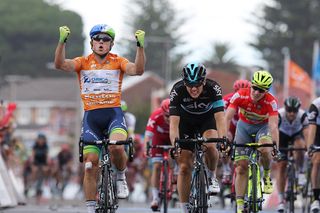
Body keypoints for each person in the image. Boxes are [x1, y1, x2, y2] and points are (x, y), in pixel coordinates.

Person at [54, 24, 146, 213]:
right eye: (97, 39)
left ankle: (120, 177)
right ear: (92, 42)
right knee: (90, 163)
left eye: (105, 39)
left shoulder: (118, 61)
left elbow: (137, 70)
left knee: (117, 147)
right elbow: (60, 65)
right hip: (91, 117)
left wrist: (140, 47)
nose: (101, 42)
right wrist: (62, 42)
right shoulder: (83, 62)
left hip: (113, 114)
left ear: (111, 44)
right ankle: (90, 208)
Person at [169, 63, 228, 213]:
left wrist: (223, 139)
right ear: (184, 83)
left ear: (204, 81)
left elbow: (220, 119)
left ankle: (211, 175)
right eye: (190, 85)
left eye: (197, 85)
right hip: (185, 123)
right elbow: (174, 124)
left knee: (211, 145)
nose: (193, 89)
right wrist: (175, 144)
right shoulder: (177, 90)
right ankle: (184, 208)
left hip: (206, 121)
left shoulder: (214, 88)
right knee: (183, 167)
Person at [225, 70, 279, 213]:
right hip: (244, 128)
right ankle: (240, 204)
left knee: (265, 149)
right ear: (251, 86)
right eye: (254, 88)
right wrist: (224, 139)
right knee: (241, 166)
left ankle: (266, 176)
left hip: (263, 127)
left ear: (266, 91)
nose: (256, 92)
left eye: (261, 90)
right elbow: (227, 118)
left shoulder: (271, 101)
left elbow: (273, 126)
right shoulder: (240, 95)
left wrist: (275, 146)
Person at [275, 96, 309, 212]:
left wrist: (308, 148)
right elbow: (273, 131)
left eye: (294, 110)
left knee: (300, 145)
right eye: (289, 110)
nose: (291, 113)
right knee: (281, 166)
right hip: (282, 136)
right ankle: (280, 200)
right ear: (285, 108)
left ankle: (300, 172)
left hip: (296, 135)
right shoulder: (279, 114)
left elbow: (307, 133)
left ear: (298, 110)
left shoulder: (303, 116)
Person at [221, 79, 251, 184]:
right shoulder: (226, 100)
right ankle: (226, 168)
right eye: (238, 92)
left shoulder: (252, 100)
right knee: (225, 143)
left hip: (244, 128)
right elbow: (223, 118)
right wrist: (226, 132)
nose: (241, 94)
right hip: (231, 127)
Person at [144, 98, 171, 211]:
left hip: (172, 138)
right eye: (166, 116)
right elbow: (148, 135)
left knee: (178, 158)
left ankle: (173, 176)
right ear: (162, 112)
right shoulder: (155, 115)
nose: (168, 119)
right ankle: (155, 197)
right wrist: (147, 148)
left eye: (170, 116)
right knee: (156, 166)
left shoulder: (179, 115)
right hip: (158, 139)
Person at [306, 96, 320, 212]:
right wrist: (310, 147)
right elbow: (312, 128)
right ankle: (316, 198)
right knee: (316, 160)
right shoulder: (316, 104)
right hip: (318, 131)